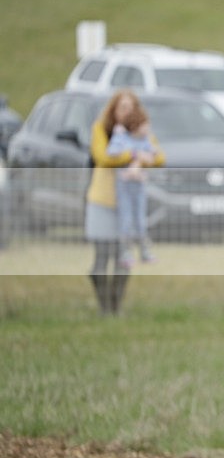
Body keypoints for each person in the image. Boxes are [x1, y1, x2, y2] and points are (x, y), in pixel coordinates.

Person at [86, 90, 165, 315]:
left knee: (123, 258)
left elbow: (159, 156)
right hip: (103, 201)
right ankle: (104, 308)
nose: (127, 112)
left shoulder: (140, 132)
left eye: (131, 107)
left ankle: (116, 308)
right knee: (102, 255)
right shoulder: (101, 129)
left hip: (129, 204)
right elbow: (102, 157)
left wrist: (140, 154)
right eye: (122, 107)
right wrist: (134, 155)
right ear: (113, 109)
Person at [106, 105, 160, 267]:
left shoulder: (145, 141)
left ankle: (144, 251)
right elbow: (112, 152)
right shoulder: (122, 139)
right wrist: (134, 154)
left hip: (139, 185)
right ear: (135, 125)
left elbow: (154, 155)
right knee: (126, 219)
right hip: (125, 187)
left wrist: (140, 161)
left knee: (140, 220)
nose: (148, 128)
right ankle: (126, 252)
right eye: (145, 125)